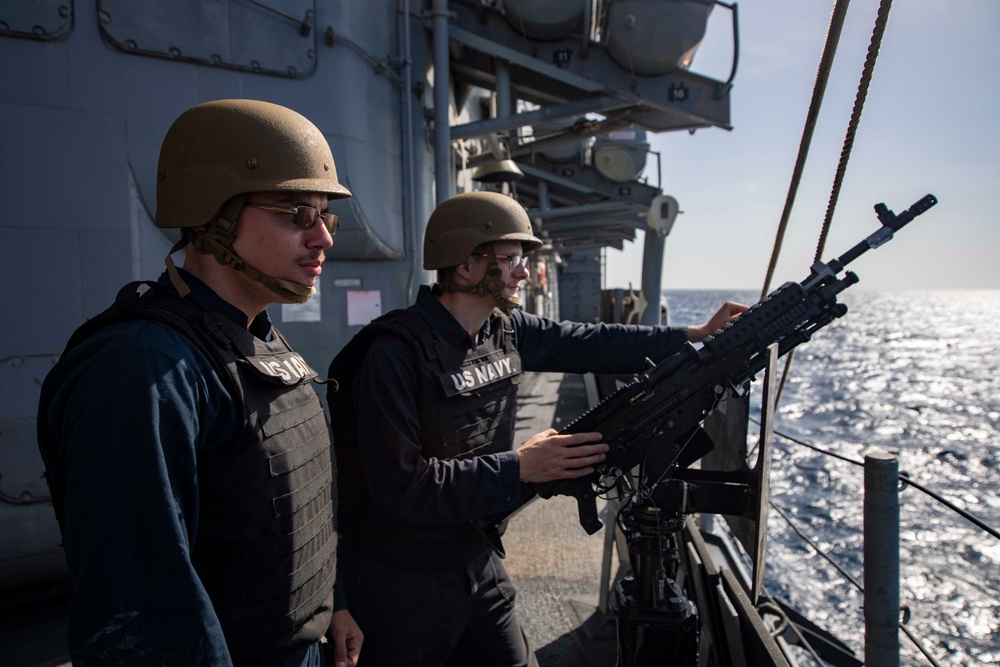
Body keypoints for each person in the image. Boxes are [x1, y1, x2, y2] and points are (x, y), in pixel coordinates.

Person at [326, 190, 747, 666]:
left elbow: (592, 343)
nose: (524, 273)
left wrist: (692, 336)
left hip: (475, 556)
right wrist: (522, 467)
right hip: (400, 579)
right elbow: (402, 486)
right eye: (509, 260)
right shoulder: (393, 355)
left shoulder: (504, 331)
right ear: (466, 267)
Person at [37, 99, 363, 667]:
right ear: (210, 216)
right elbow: (145, 608)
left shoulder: (253, 335)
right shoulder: (141, 368)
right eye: (295, 215)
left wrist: (328, 606)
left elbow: (281, 506)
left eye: (324, 217)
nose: (323, 240)